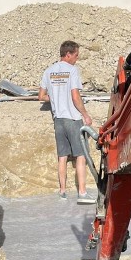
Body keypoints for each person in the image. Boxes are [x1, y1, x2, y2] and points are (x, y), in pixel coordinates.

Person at [39, 40, 95, 204]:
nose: (76, 59)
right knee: (81, 155)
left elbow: (41, 96)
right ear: (68, 54)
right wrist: (85, 114)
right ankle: (82, 193)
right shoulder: (72, 70)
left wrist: (56, 98)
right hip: (72, 118)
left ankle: (62, 192)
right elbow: (75, 96)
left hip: (58, 120)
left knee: (62, 156)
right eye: (76, 55)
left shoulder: (49, 71)